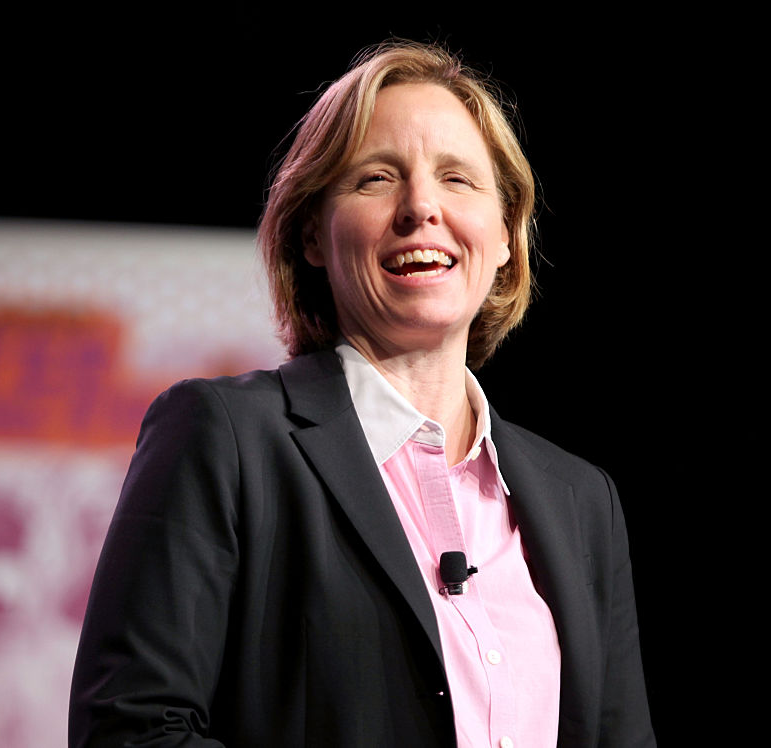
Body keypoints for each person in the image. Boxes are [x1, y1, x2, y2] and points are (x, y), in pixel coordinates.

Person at [69, 40, 655, 747]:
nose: (420, 208)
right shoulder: (224, 438)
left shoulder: (581, 500)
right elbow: (132, 729)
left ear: (505, 235)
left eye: (458, 180)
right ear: (313, 233)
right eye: (376, 178)